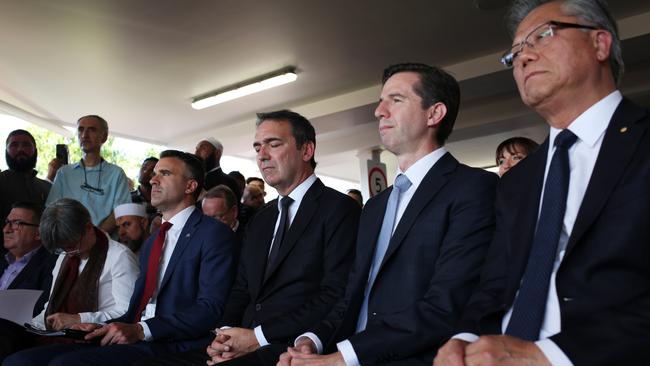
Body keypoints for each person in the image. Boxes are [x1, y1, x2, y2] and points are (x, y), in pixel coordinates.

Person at [433, 1, 650, 365]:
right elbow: (495, 283)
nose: (523, 58)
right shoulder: (518, 181)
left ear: (600, 43)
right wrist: (464, 338)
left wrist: (548, 356)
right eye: (514, 53)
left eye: (542, 36)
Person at [279, 63, 497, 366]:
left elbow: (445, 305)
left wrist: (342, 358)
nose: (379, 111)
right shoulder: (375, 207)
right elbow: (354, 293)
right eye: (381, 101)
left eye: (396, 100)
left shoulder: (473, 188)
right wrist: (312, 339)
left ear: (434, 114)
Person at [137, 110, 361, 366]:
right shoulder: (261, 219)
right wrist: (224, 335)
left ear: (307, 150)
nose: (262, 155)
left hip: (293, 347)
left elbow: (334, 293)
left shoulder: (339, 209)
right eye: (257, 148)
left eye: (273, 144)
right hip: (241, 341)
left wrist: (257, 337)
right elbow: (242, 288)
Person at [4, 150, 235, 366]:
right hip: (137, 336)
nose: (153, 180)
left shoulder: (212, 234)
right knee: (19, 362)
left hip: (174, 343)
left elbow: (209, 309)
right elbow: (136, 309)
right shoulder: (154, 240)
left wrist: (142, 330)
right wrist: (98, 326)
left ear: (190, 186)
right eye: (154, 174)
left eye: (165, 173)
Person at [0, 198, 140, 363]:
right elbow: (51, 305)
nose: (69, 252)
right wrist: (36, 324)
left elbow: (129, 313)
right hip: (60, 334)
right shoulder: (65, 257)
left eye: (71, 245)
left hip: (98, 338)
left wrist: (79, 318)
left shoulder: (119, 257)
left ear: (88, 228)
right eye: (62, 247)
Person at [45, 115, 131, 234]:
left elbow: (121, 210)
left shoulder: (116, 174)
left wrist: (95, 237)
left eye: (92, 129)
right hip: (67, 244)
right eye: (81, 129)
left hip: (103, 246)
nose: (84, 135)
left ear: (104, 137)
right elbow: (52, 210)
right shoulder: (64, 173)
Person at [0, 130, 51, 245]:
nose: (20, 149)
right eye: (14, 145)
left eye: (26, 145)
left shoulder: (47, 187)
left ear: (35, 150)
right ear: (6, 151)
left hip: (43, 258)